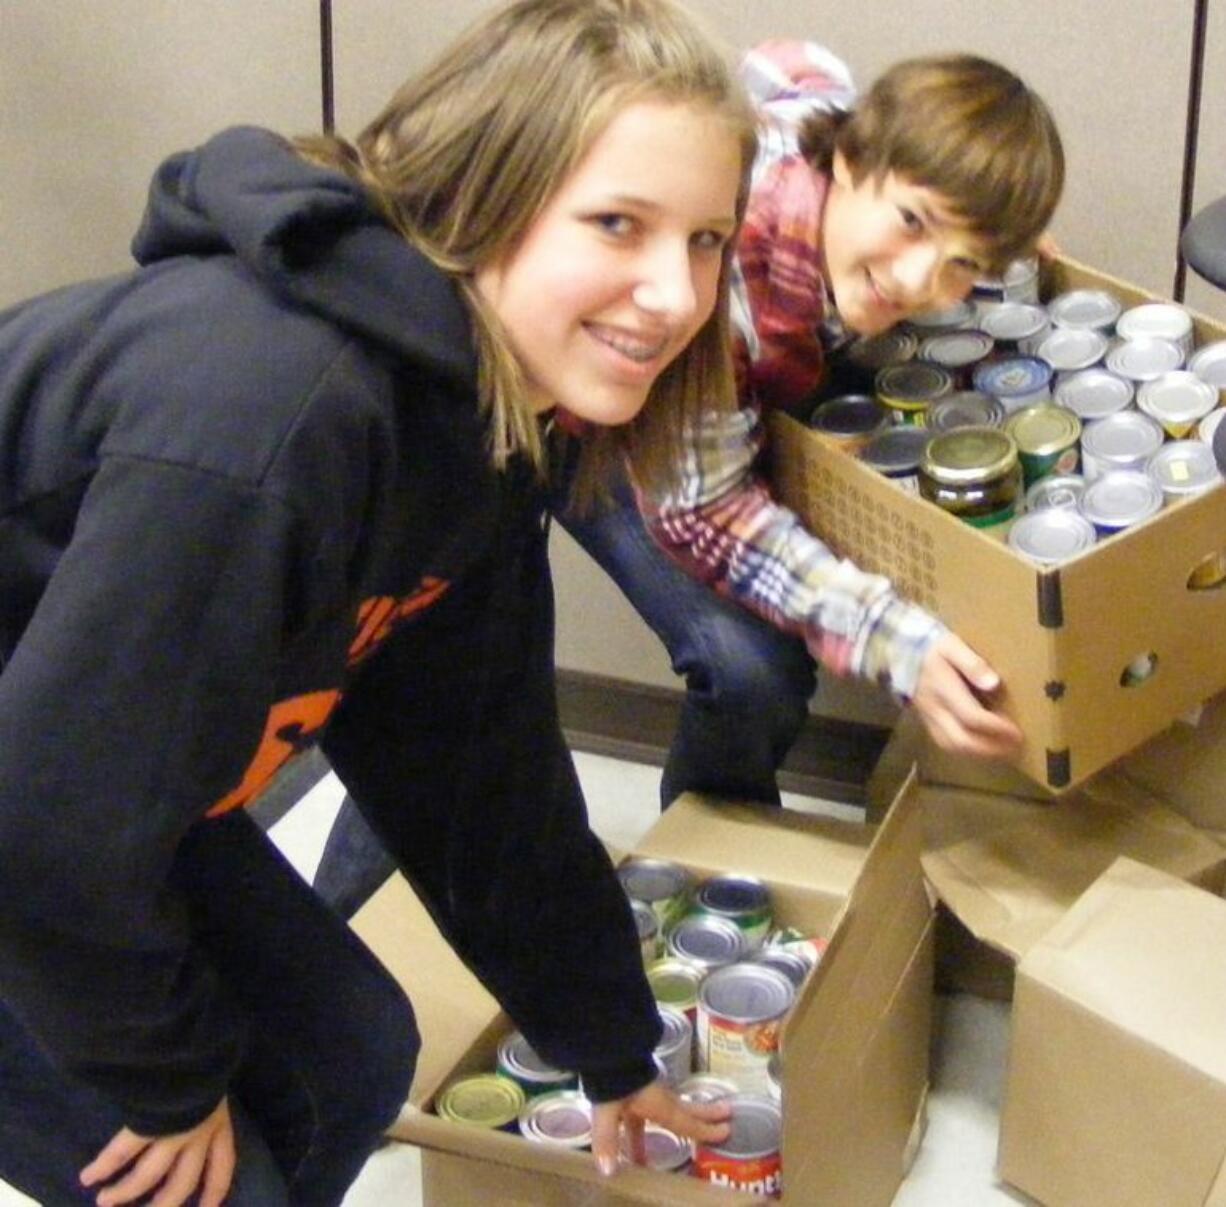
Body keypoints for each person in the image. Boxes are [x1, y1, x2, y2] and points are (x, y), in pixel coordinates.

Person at [0, 0, 757, 1201]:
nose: (673, 293)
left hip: (79, 767)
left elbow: (478, 780)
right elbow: (42, 838)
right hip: (37, 806)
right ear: (479, 194)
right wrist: (169, 1081)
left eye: (708, 240)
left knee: (350, 1058)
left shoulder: (484, 419)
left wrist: (611, 1050)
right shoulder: (274, 415)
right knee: (209, 1176)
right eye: (617, 223)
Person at [314, 36, 1063, 918]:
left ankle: (702, 862)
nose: (918, 277)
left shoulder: (827, 137)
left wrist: (984, 238)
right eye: (912, 223)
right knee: (445, 686)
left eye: (964, 262)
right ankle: (339, 920)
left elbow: (796, 63)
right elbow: (706, 511)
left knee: (752, 673)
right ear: (853, 160)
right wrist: (899, 642)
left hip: (647, 406)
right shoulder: (732, 300)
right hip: (540, 409)